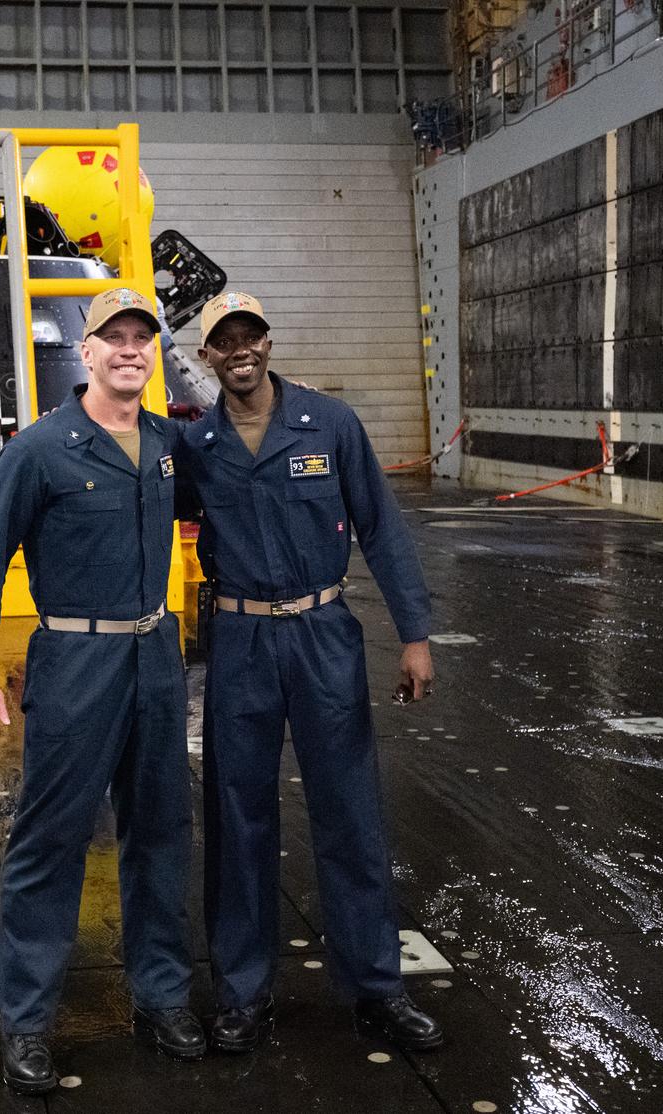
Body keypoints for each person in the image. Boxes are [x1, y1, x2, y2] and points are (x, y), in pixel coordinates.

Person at [178, 291, 444, 1054]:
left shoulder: (330, 424)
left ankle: (376, 989)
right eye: (223, 341)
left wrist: (415, 635)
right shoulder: (198, 447)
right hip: (240, 639)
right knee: (237, 819)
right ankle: (241, 993)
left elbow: (382, 529)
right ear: (208, 357)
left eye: (249, 336)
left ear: (267, 342)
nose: (239, 350)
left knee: (351, 814)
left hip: (324, 633)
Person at [0, 288, 205, 1095]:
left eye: (143, 339)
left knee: (161, 835)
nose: (130, 350)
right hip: (74, 663)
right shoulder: (41, 450)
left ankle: (161, 996)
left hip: (156, 657)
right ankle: (26, 1022)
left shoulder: (167, 443)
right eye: (114, 339)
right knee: (49, 843)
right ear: (86, 353)